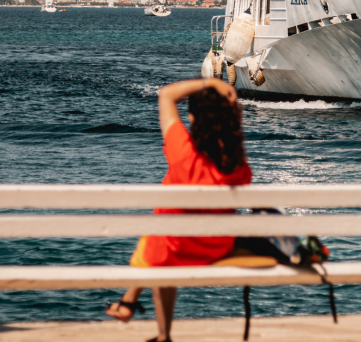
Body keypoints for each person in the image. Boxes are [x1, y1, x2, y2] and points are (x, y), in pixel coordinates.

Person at [105, 77, 251, 342]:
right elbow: (229, 131)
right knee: (162, 231)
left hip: (174, 248)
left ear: (193, 118)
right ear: (229, 119)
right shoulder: (237, 162)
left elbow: (167, 95)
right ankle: (136, 310)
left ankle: (141, 314)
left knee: (161, 234)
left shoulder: (183, 152)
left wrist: (210, 82)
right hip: (217, 247)